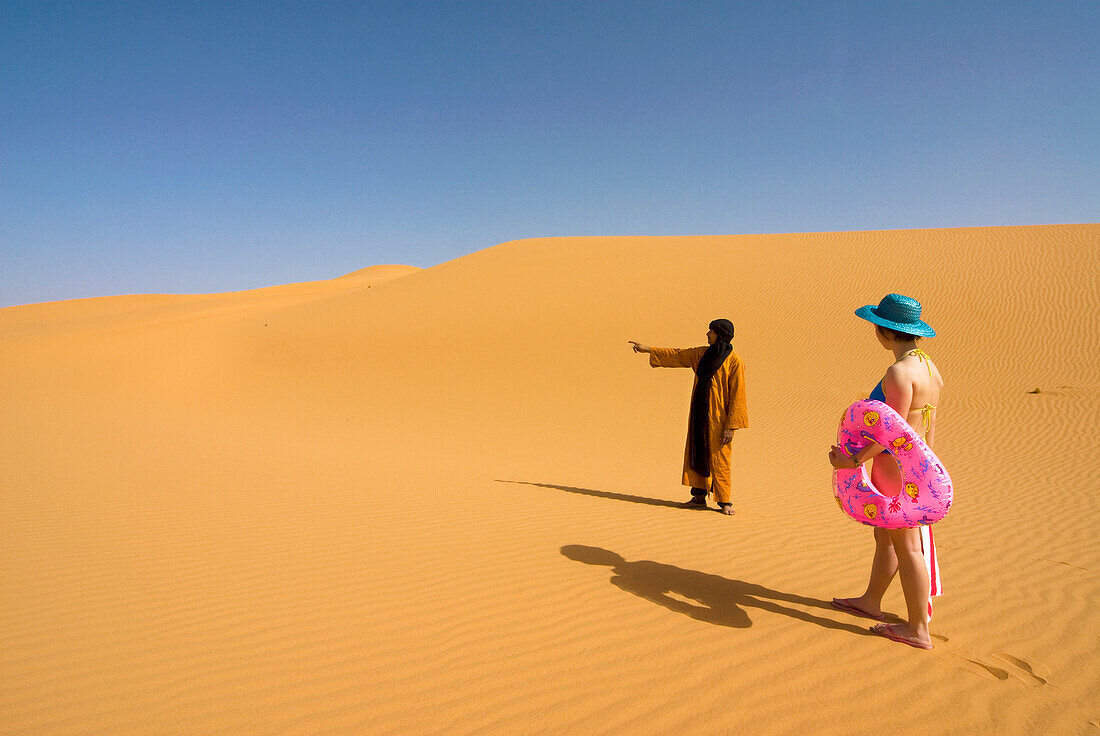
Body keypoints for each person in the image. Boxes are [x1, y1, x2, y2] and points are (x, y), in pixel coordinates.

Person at [828, 293, 944, 649]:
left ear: (887, 332)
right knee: (886, 535)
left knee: (907, 544)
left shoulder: (899, 372)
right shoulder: (928, 366)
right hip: (916, 464)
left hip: (894, 467)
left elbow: (890, 432)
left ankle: (917, 629)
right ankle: (871, 601)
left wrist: (853, 461)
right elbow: (926, 424)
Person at [630, 319, 748, 515]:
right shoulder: (701, 354)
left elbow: (738, 396)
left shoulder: (735, 362)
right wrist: (647, 349)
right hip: (699, 414)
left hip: (719, 420)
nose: (707, 334)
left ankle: (724, 501)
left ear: (720, 335)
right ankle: (699, 496)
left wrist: (731, 426)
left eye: (711, 331)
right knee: (697, 451)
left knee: (720, 458)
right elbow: (678, 354)